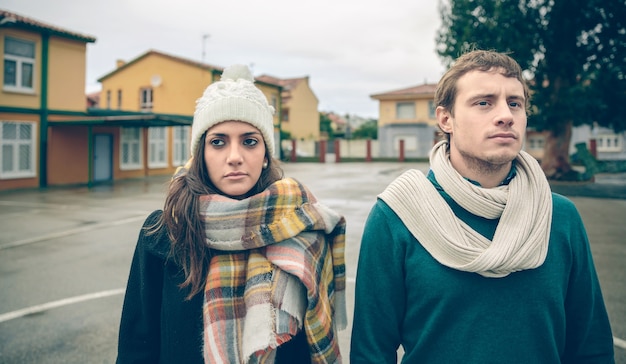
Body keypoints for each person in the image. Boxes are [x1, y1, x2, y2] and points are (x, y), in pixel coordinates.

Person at [350, 50, 615, 363]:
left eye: (515, 103)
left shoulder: (559, 216)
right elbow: (371, 352)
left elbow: (591, 347)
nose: (506, 115)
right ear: (445, 119)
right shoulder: (397, 215)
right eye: (484, 102)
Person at [116, 64, 347, 364]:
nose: (235, 157)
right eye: (218, 141)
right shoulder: (164, 232)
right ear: (201, 153)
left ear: (265, 154)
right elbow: (137, 345)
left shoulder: (302, 230)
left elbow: (310, 350)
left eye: (249, 141)